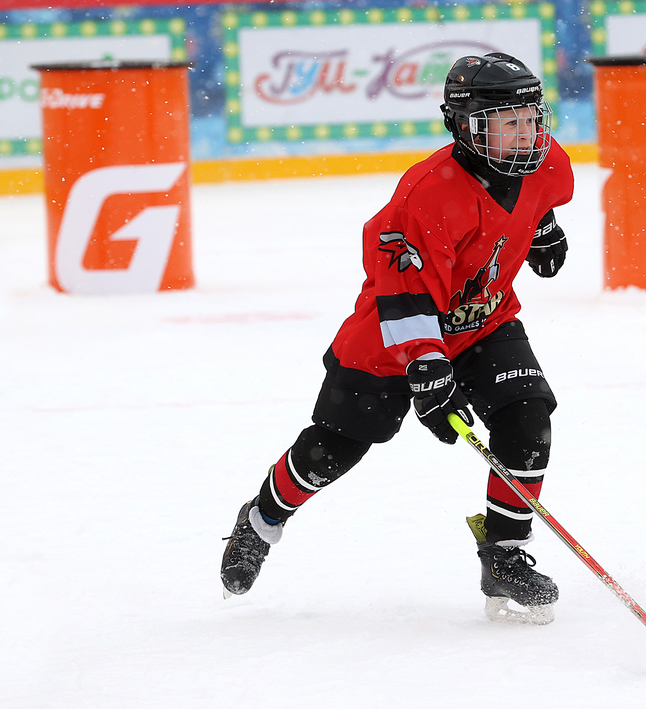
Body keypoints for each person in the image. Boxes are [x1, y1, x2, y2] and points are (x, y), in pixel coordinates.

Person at [221, 52, 574, 625]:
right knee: (332, 450)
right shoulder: (425, 197)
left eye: (531, 118)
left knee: (527, 414)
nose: (525, 134)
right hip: (391, 339)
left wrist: (541, 229)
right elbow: (404, 297)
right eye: (506, 123)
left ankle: (505, 555)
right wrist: (429, 372)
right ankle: (260, 519)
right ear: (464, 126)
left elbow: (537, 201)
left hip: (484, 320)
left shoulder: (546, 162)